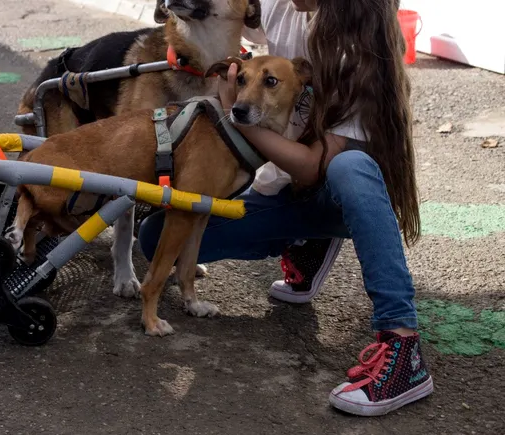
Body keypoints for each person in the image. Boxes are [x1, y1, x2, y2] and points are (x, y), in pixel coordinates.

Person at [137, 0, 432, 416]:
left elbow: (313, 167)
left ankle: (403, 348)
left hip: (339, 193)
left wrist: (234, 112)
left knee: (348, 167)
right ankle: (306, 239)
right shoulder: (282, 5)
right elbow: (231, 16)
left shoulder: (362, 43)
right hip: (284, 188)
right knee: (153, 238)